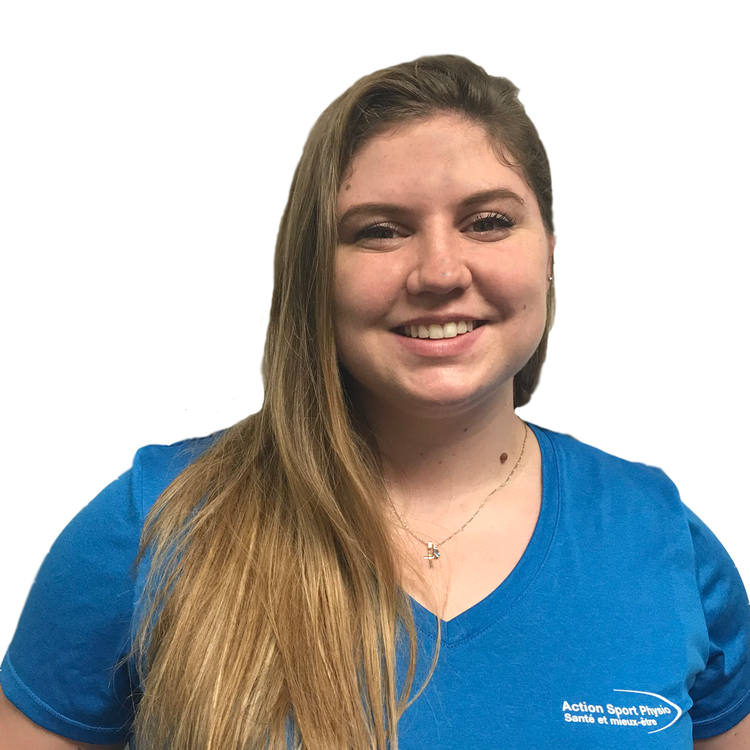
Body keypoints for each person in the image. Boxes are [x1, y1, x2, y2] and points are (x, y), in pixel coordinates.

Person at [1, 55, 748, 750]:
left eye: (488, 222)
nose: (439, 272)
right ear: (313, 272)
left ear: (549, 250)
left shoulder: (664, 543)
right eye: (380, 231)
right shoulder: (155, 525)